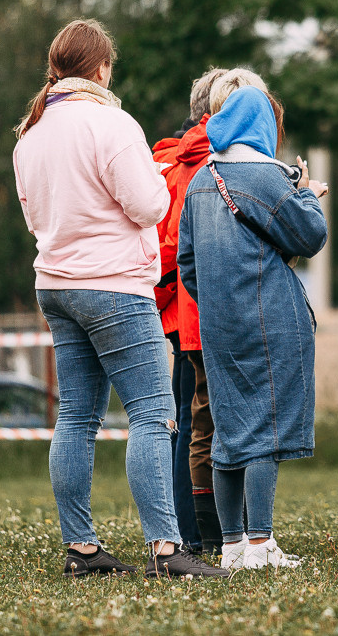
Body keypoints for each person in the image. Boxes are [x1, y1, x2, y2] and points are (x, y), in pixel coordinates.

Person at [13, 18, 228, 579]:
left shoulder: (30, 134)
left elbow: (34, 215)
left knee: (77, 419)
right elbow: (152, 206)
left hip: (55, 285)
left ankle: (81, 549)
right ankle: (166, 550)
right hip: (112, 286)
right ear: (102, 67)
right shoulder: (112, 123)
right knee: (154, 415)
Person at [177, 85, 329, 571]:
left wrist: (219, 302)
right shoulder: (265, 175)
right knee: (266, 429)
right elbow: (311, 235)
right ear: (261, 124)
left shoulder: (201, 179)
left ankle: (232, 545)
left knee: (228, 431)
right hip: (272, 318)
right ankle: (262, 545)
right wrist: (305, 193)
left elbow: (187, 264)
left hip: (218, 324)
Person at [151, 66, 226, 553]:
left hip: (175, 312)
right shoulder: (204, 163)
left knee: (186, 420)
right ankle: (198, 533)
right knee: (200, 424)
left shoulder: (168, 160)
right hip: (199, 308)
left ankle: (187, 530)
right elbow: (181, 242)